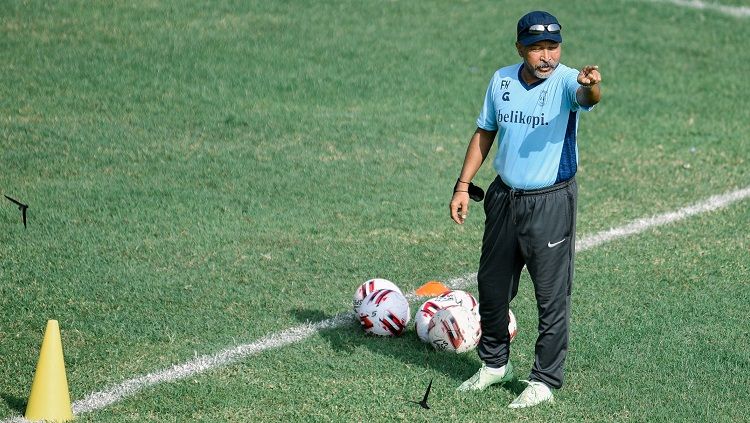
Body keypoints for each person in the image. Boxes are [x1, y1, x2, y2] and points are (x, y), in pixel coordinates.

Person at [448, 10, 601, 409]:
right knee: (492, 287)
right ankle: (495, 364)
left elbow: (587, 97)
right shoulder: (501, 80)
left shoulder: (569, 81)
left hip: (550, 203)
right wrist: (463, 185)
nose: (546, 56)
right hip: (503, 199)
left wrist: (591, 87)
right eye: (537, 49)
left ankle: (545, 380)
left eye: (553, 47)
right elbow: (485, 132)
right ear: (521, 49)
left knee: (551, 295)